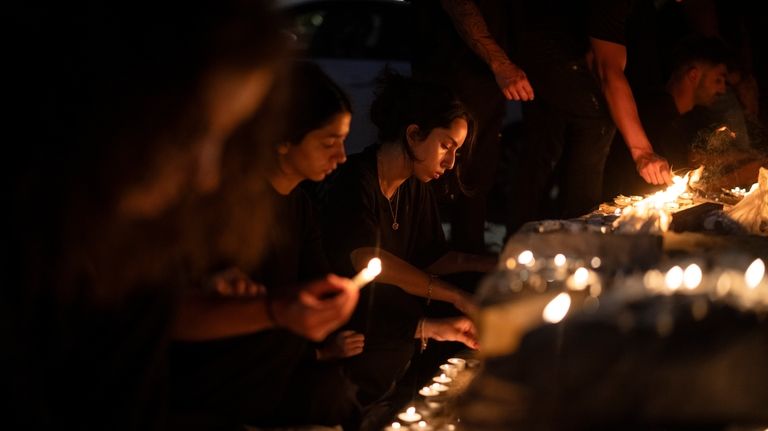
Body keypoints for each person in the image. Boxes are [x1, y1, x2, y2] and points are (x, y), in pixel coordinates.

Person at [4, 3, 354, 429]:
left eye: (224, 139)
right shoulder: (36, 247)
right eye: (189, 133)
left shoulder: (144, 235)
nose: (207, 176)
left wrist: (274, 310)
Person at [168, 61, 360, 430]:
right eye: (329, 142)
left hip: (278, 356)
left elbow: (316, 276)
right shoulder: (221, 203)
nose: (341, 157)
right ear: (282, 140)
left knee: (338, 391)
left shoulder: (299, 204)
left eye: (343, 141)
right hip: (222, 368)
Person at [322, 70, 495, 410]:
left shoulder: (415, 186)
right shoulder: (354, 180)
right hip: (350, 310)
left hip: (392, 308)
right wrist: (456, 296)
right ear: (414, 134)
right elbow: (368, 260)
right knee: (451, 301)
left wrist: (498, 263)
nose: (450, 162)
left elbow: (433, 256)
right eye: (446, 146)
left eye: (456, 151)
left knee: (480, 289)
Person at [507, 0, 673, 232]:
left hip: (557, 50)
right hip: (545, 48)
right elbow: (609, 72)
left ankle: (540, 235)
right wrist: (642, 152)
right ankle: (571, 234)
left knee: (546, 150)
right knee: (595, 121)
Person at [412, 0, 534, 253]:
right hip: (451, 74)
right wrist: (500, 63)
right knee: (437, 172)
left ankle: (466, 260)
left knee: (477, 175)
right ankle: (423, 261)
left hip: (486, 82)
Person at [604, 36, 730, 197]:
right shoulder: (653, 116)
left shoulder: (680, 118)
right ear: (693, 75)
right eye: (718, 79)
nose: (723, 90)